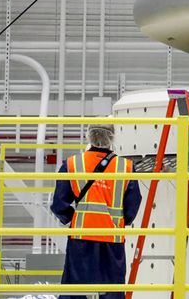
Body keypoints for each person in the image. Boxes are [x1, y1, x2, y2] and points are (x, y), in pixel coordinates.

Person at [51, 123, 141, 299]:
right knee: (111, 291)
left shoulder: (72, 163)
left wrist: (74, 219)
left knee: (77, 291)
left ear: (89, 136)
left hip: (81, 237)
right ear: (112, 138)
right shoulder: (126, 167)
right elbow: (133, 205)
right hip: (112, 238)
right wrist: (121, 222)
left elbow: (58, 204)